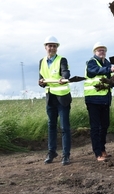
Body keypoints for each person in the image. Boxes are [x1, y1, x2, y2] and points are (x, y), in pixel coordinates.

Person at [38, 35, 72, 166]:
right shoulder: (41, 62)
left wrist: (63, 78)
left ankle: (66, 155)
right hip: (50, 97)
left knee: (64, 127)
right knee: (51, 126)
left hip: (62, 98)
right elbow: (42, 80)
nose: (51, 48)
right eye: (49, 45)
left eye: (54, 46)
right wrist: (41, 82)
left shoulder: (61, 59)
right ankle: (52, 152)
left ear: (57, 48)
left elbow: (66, 72)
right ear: (45, 47)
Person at [84, 42, 114, 162]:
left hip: (105, 99)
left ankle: (103, 149)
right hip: (93, 99)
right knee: (95, 127)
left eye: (103, 50)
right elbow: (94, 71)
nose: (102, 52)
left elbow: (111, 83)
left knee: (105, 125)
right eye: (99, 50)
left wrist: (113, 79)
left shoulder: (108, 63)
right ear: (95, 52)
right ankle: (97, 153)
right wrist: (109, 69)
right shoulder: (91, 62)